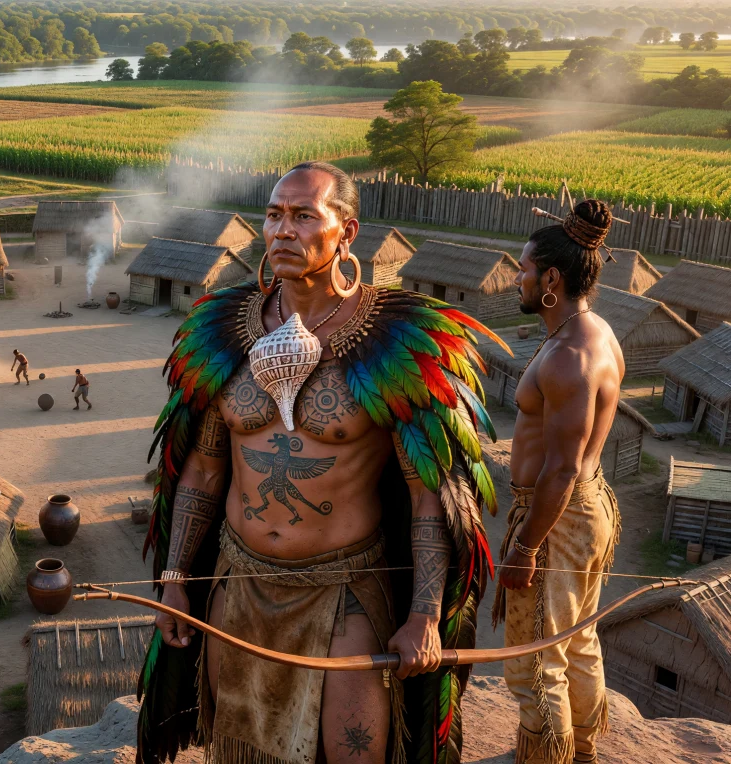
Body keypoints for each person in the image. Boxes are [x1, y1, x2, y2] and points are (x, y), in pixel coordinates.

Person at [140, 162, 505, 764]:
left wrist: (424, 616)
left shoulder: (399, 346)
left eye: (305, 215)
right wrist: (176, 581)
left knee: (354, 751)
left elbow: (429, 498)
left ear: (347, 231)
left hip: (343, 590)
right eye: (275, 214)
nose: (284, 230)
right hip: (238, 582)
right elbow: (201, 473)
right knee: (238, 748)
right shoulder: (222, 333)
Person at [494, 200, 625, 764]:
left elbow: (563, 467)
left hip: (558, 514)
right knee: (577, 643)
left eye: (522, 269)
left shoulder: (569, 357)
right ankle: (583, 752)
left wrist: (525, 546)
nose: (515, 280)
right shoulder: (595, 331)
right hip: (587, 506)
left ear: (551, 277)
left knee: (534, 655)